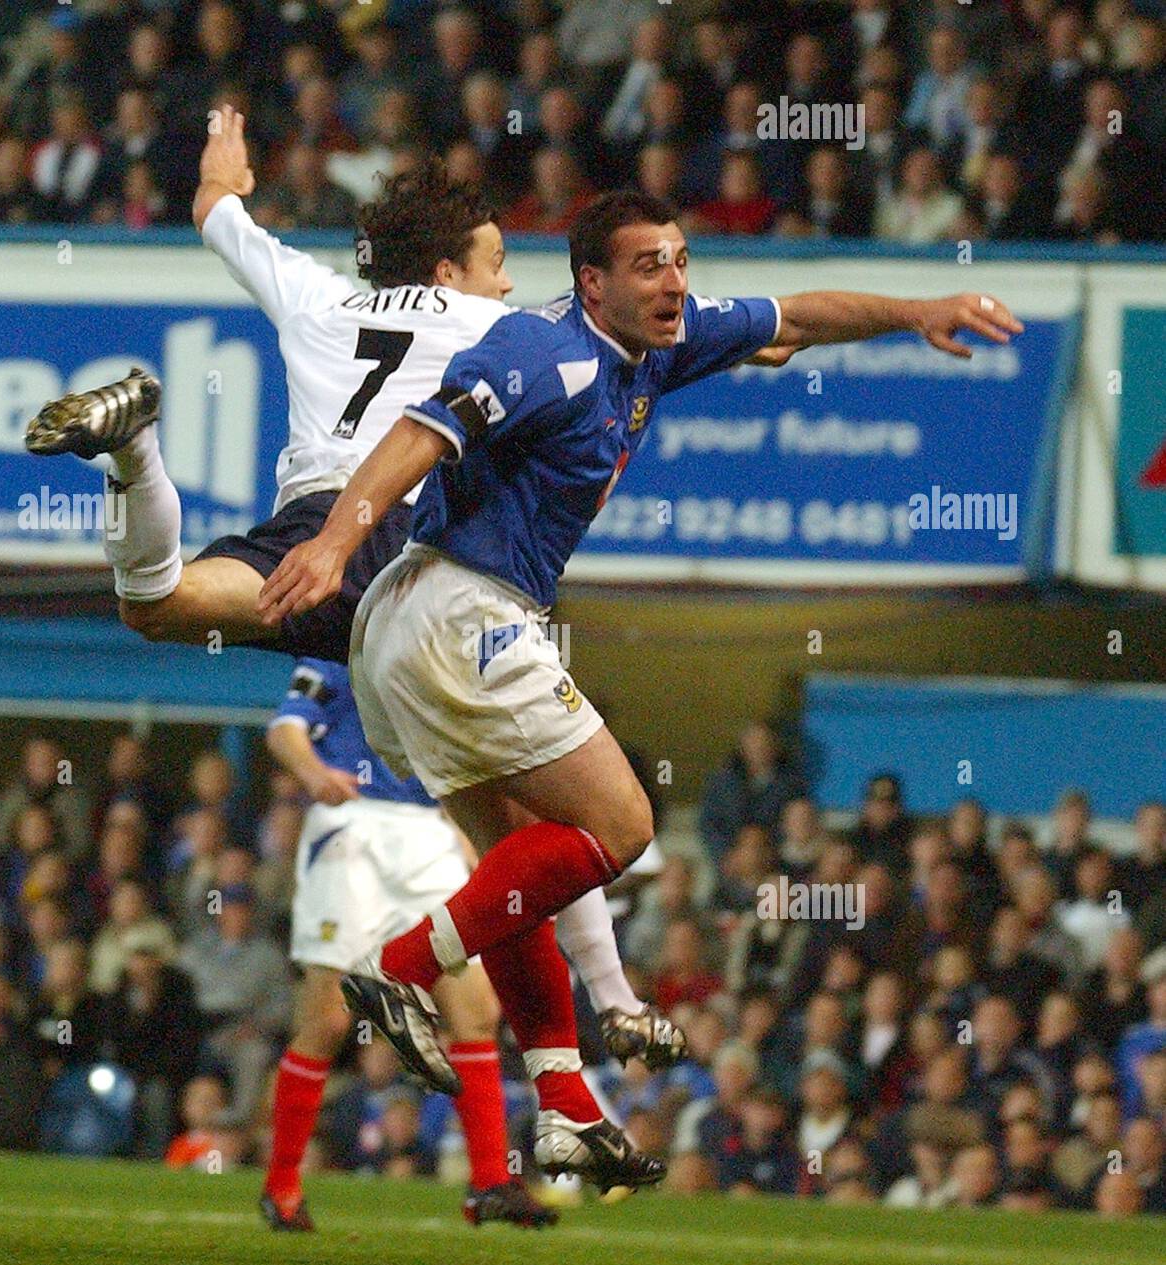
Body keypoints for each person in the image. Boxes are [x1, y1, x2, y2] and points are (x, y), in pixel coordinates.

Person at [256, 187, 1022, 1184]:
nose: (674, 281)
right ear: (592, 283)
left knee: (516, 883)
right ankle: (398, 968)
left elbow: (797, 315)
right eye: (648, 265)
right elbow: (418, 436)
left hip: (416, 629)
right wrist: (329, 540)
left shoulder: (658, 339)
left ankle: (565, 1103)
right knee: (621, 826)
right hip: (458, 611)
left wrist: (917, 312)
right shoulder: (542, 352)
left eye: (680, 259)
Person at [24, 109, 683, 1089]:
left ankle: (132, 452)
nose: (509, 280)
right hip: (418, 556)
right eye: (497, 260)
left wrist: (225, 171)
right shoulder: (512, 331)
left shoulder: (322, 299)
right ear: (453, 271)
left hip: (304, 539)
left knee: (156, 603)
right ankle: (608, 1010)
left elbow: (215, 213)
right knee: (539, 815)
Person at [259, 655, 558, 1230]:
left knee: (476, 1009)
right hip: (353, 825)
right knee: (328, 1019)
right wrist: (312, 773)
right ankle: (282, 1186)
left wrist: (461, 828)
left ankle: (489, 1182)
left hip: (428, 833)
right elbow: (286, 727)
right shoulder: (337, 647)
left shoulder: (436, 651)